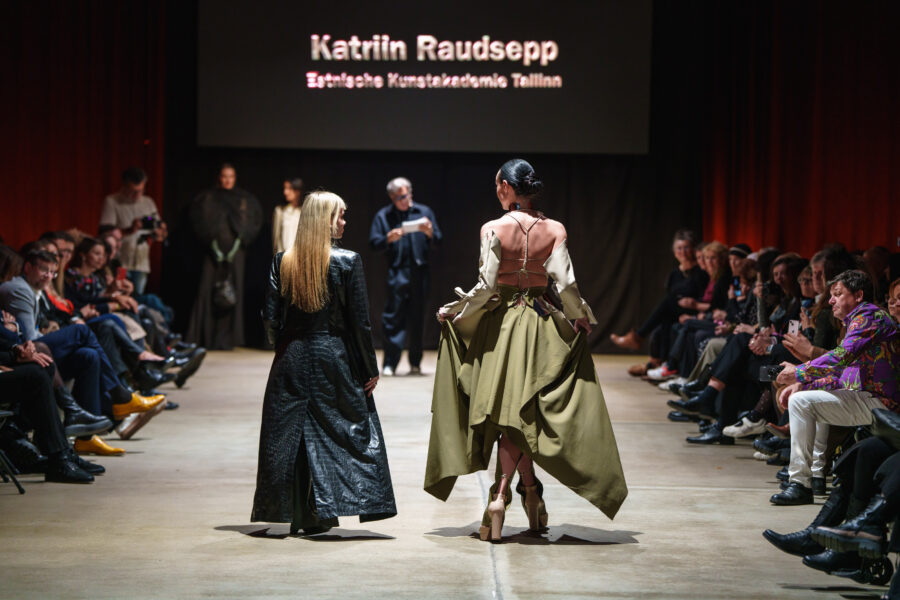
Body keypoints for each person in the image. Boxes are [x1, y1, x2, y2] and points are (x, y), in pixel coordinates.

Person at [424, 159, 627, 542]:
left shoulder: (492, 228)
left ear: (505, 185)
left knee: (511, 415)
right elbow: (565, 284)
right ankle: (530, 494)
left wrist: (456, 311)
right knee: (524, 412)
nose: (496, 192)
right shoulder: (555, 229)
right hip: (539, 325)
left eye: (496, 185)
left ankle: (499, 497)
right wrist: (578, 317)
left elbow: (487, 286)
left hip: (500, 328)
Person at [252, 191, 396, 535]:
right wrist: (368, 368)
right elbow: (360, 323)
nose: (344, 222)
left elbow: (270, 318)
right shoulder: (347, 261)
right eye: (339, 216)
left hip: (291, 356)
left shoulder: (283, 261)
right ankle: (320, 513)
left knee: (291, 435)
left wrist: (283, 346)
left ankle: (303, 514)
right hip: (333, 356)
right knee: (343, 433)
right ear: (324, 220)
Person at [772, 269, 900, 505]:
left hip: (886, 405)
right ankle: (816, 476)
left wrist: (798, 373)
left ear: (858, 295)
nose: (830, 300)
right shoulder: (859, 322)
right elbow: (846, 375)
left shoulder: (869, 317)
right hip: (874, 399)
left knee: (802, 402)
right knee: (812, 397)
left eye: (838, 294)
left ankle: (800, 483)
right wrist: (804, 382)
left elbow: (839, 358)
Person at [368, 176, 442, 376]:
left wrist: (429, 232)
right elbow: (373, 243)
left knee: (418, 318)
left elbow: (438, 240)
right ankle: (390, 363)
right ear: (391, 198)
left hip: (420, 272)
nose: (403, 200)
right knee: (393, 318)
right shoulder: (384, 216)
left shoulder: (423, 212)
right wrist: (388, 238)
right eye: (398, 197)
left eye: (406, 195)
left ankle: (415, 363)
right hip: (397, 271)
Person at [186, 163, 263, 350]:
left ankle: (228, 339)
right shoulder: (208, 198)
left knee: (232, 292)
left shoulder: (244, 198)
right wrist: (213, 246)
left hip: (236, 252)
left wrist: (237, 245)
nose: (228, 180)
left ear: (235, 178)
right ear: (219, 178)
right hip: (212, 251)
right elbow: (200, 222)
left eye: (231, 176)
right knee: (207, 290)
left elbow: (251, 224)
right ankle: (205, 336)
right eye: (224, 176)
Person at [99, 167, 167, 295]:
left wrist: (159, 232)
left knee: (138, 296)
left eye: (140, 190)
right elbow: (105, 233)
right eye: (133, 191)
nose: (137, 195)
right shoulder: (112, 201)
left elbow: (159, 228)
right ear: (124, 186)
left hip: (141, 262)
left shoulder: (148, 202)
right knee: (120, 293)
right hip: (120, 262)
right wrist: (130, 230)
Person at [272, 178, 303, 254]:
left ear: (297, 191)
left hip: (300, 255)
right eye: (285, 188)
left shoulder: (303, 211)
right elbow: (276, 238)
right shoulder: (280, 211)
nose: (285, 192)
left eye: (289, 188)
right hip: (284, 255)